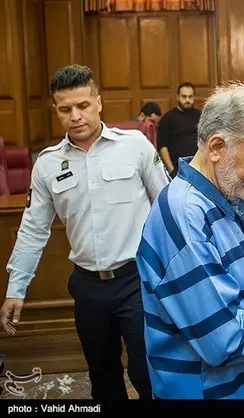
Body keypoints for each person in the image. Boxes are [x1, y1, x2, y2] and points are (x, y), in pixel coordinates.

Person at [0, 64, 170, 400]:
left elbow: (167, 208)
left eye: (83, 105)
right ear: (56, 110)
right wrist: (16, 289)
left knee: (148, 372)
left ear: (99, 102)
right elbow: (33, 230)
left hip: (138, 280)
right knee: (102, 376)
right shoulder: (47, 164)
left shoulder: (134, 146)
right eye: (65, 109)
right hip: (88, 287)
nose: (75, 116)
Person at [136, 81, 244, 399]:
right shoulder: (185, 214)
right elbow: (221, 339)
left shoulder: (220, 200)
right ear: (217, 147)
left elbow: (243, 305)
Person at [157, 82, 202, 178]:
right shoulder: (168, 118)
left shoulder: (201, 116)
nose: (187, 100)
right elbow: (162, 147)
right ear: (177, 97)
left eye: (190, 97)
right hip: (177, 169)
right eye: (184, 97)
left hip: (199, 168)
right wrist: (171, 171)